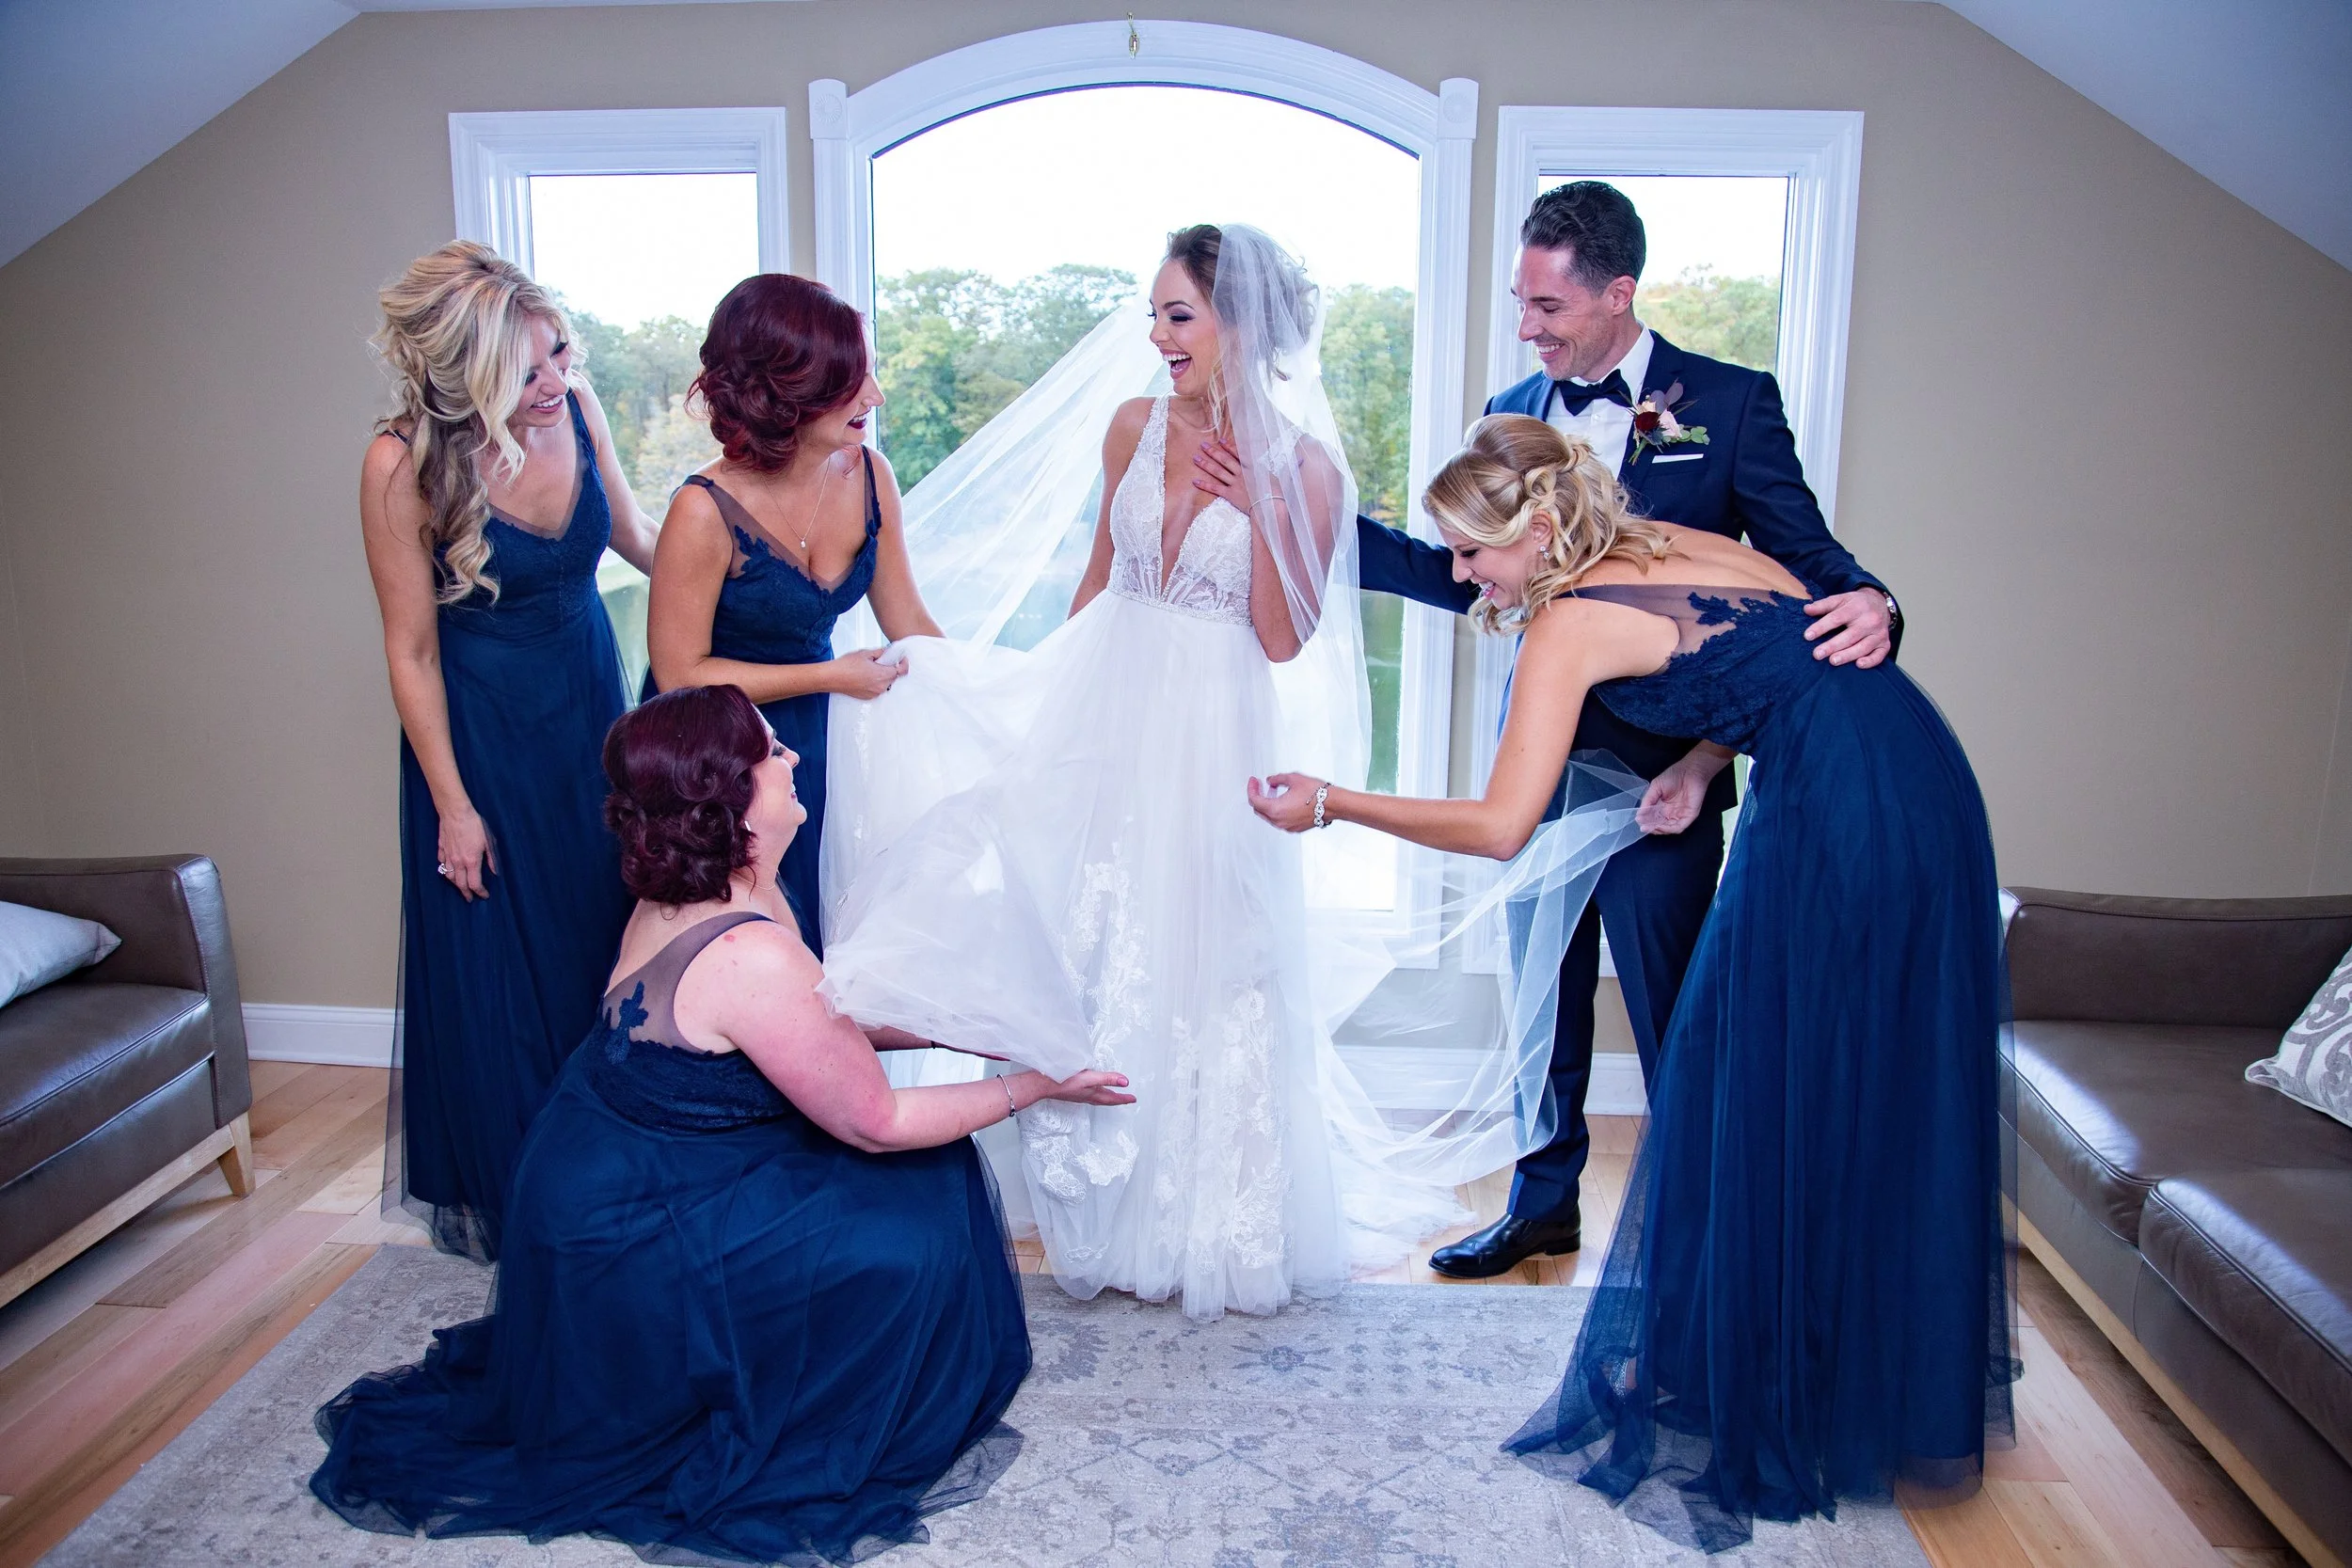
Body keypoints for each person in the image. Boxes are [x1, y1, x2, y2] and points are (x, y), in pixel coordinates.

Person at [1254, 415, 2010, 1548]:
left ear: (1543, 527)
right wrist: (1704, 763)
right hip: (1914, 777)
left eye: (1472, 552)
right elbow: (1789, 648)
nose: (1463, 575)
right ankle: (1838, 1367)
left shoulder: (1568, 623)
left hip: (1836, 813)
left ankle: (1778, 1387)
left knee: (1752, 1081)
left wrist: (1332, 801)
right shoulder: (1666, 541)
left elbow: (1502, 824)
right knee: (1847, 1080)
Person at [310, 685, 1134, 1565]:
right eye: (772, 752)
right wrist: (1034, 1084)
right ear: (729, 796)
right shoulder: (745, 948)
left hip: (642, 1163)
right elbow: (880, 1119)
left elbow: (819, 1020)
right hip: (632, 1221)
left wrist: (963, 1031)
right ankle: (785, 1396)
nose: (793, 759)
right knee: (913, 1219)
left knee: (919, 1185)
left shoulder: (737, 890)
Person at [817, 225, 1371, 1323]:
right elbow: (1097, 581)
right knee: (1092, 937)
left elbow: (1279, 638)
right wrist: (1036, 717)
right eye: (1155, 312)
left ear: (1239, 326)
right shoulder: (1132, 425)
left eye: (1177, 314)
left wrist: (1258, 503)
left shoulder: (1308, 466)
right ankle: (1096, 1210)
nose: (1156, 334)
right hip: (1107, 708)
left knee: (1204, 956)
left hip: (1214, 731)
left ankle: (1201, 1221)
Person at [1355, 180, 1902, 1278]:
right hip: (1549, 761)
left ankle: (1701, 1230)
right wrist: (1319, 521)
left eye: (1547, 307)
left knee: (1676, 1016)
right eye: (1520, 302)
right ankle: (1540, 1204)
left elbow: (1799, 585)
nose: (1527, 328)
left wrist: (1875, 609)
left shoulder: (1733, 403)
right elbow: (1477, 579)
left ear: (1617, 294)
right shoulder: (1514, 410)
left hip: (1668, 775)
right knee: (1539, 1007)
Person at [360, 240, 660, 1260]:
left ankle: (611, 1172)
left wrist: (746, 564)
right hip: (478, 747)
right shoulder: (400, 463)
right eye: (525, 370)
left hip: (587, 716)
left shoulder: (579, 413)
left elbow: (641, 539)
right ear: (466, 371)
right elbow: (408, 651)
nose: (554, 382)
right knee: (505, 968)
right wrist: (453, 804)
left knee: (602, 936)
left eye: (561, 355)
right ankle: (529, 1198)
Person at [645, 274, 941, 955]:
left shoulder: (871, 474)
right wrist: (831, 677)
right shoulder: (702, 510)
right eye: (853, 380)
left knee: (818, 943)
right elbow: (679, 673)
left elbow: (909, 619)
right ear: (786, 395)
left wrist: (994, 695)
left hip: (816, 735)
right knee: (740, 949)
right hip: (711, 753)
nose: (876, 395)